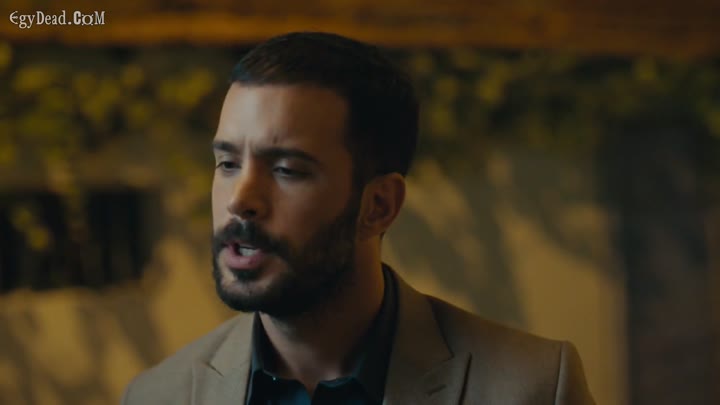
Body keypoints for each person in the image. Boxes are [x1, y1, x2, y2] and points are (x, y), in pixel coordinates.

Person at [122, 32, 595, 404]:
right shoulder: (157, 396)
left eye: (287, 170)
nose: (239, 200)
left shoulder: (533, 387)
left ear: (379, 206)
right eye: (228, 164)